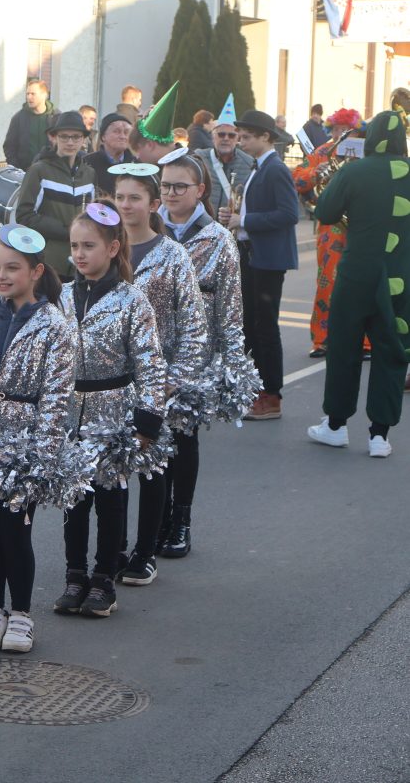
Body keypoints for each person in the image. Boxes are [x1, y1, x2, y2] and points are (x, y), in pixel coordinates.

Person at [0, 223, 79, 654]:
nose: (1, 275)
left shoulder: (54, 325)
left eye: (12, 268)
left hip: (23, 446)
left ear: (36, 271)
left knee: (15, 530)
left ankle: (22, 614)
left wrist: (43, 456)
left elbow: (56, 396)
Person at [55, 202, 166, 619]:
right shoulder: (62, 297)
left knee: (110, 497)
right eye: (74, 246)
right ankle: (75, 574)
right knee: (74, 498)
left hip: (114, 411)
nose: (80, 254)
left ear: (113, 247)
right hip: (70, 413)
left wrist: (147, 418)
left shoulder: (132, 300)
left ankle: (104, 579)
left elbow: (150, 364)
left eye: (89, 246)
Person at [157, 152, 258, 556]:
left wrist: (232, 365)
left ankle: (180, 519)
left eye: (179, 186)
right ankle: (155, 519)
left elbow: (231, 311)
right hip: (151, 353)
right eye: (164, 186)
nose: (170, 194)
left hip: (194, 357)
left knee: (183, 438)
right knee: (150, 439)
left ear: (199, 190)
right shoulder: (149, 232)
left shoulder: (219, 240)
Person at [112, 165, 206, 588]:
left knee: (152, 466)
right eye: (119, 197)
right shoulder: (107, 250)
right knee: (111, 468)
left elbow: (194, 325)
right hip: (112, 381)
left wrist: (175, 377)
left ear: (153, 205)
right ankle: (111, 549)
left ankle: (145, 551)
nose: (126, 206)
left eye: (135, 198)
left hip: (157, 379)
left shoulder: (173, 255)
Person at [308, 110, 410, 458]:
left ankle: (335, 426)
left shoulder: (354, 170)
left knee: (344, 347)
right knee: (391, 350)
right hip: (401, 277)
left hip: (355, 274)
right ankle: (379, 436)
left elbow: (326, 211)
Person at [218, 109, 299, 421]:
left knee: (265, 327)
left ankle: (272, 395)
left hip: (268, 259)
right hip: (254, 254)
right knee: (250, 324)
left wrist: (245, 220)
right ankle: (253, 387)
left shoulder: (275, 169)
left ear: (266, 137)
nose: (242, 141)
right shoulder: (257, 167)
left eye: (248, 136)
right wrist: (234, 219)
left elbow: (289, 214)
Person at [304, 108, 364, 356]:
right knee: (327, 283)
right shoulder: (322, 153)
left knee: (364, 286)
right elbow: (298, 178)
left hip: (361, 227)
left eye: (347, 130)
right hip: (331, 230)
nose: (341, 134)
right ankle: (323, 339)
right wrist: (313, 173)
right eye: (337, 129)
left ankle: (364, 341)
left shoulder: (365, 154)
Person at [15, 111, 97, 280]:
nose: (70, 142)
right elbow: (24, 215)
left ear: (83, 140)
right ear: (54, 138)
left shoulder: (89, 173)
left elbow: (92, 214)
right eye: (64, 137)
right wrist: (68, 231)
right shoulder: (39, 170)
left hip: (80, 264)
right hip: (48, 262)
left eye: (76, 137)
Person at [199, 96, 255, 214]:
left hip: (232, 226)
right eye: (221, 134)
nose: (226, 139)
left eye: (231, 135)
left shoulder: (249, 163)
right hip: (202, 224)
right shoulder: (199, 158)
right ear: (213, 136)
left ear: (237, 138)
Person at [3, 78, 57, 170]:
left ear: (44, 95)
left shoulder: (56, 117)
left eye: (33, 94)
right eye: (27, 94)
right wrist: (17, 168)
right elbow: (9, 146)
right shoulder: (18, 118)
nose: (29, 97)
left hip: (52, 172)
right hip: (25, 172)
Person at [85, 112, 136, 197]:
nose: (123, 136)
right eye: (117, 131)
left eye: (126, 132)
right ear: (103, 137)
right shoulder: (88, 163)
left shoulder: (135, 165)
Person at [129, 81, 179, 165]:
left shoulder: (181, 169)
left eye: (138, 151)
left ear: (149, 145)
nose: (138, 157)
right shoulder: (183, 163)